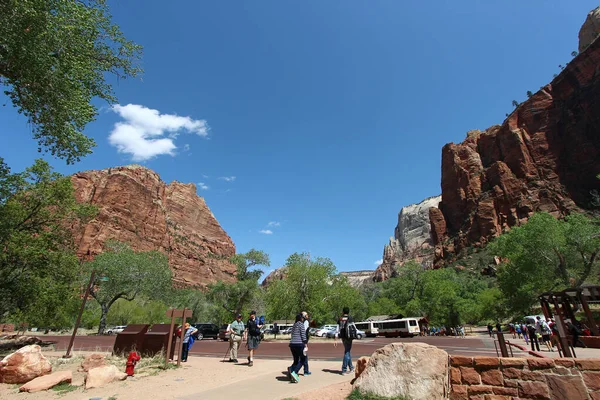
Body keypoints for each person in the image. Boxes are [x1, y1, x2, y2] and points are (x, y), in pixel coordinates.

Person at [287, 313, 308, 383]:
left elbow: (292, 334)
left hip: (292, 344)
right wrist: (305, 344)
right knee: (303, 359)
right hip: (299, 344)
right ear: (301, 318)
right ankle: (295, 372)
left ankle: (291, 369)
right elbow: (303, 335)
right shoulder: (301, 324)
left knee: (296, 360)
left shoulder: (294, 325)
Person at [336, 307, 355, 375]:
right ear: (348, 312)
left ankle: (351, 367)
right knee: (347, 352)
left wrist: (336, 336)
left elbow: (337, 328)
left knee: (348, 351)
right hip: (349, 337)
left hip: (343, 337)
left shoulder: (340, 319)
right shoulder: (350, 318)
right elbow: (353, 327)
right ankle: (344, 369)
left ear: (343, 312)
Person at [302, 311, 311, 376]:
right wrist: (305, 342)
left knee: (303, 355)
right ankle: (305, 371)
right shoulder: (306, 322)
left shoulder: (303, 322)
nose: (308, 316)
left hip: (303, 341)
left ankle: (306, 370)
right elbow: (304, 332)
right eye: (306, 315)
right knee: (304, 356)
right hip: (304, 341)